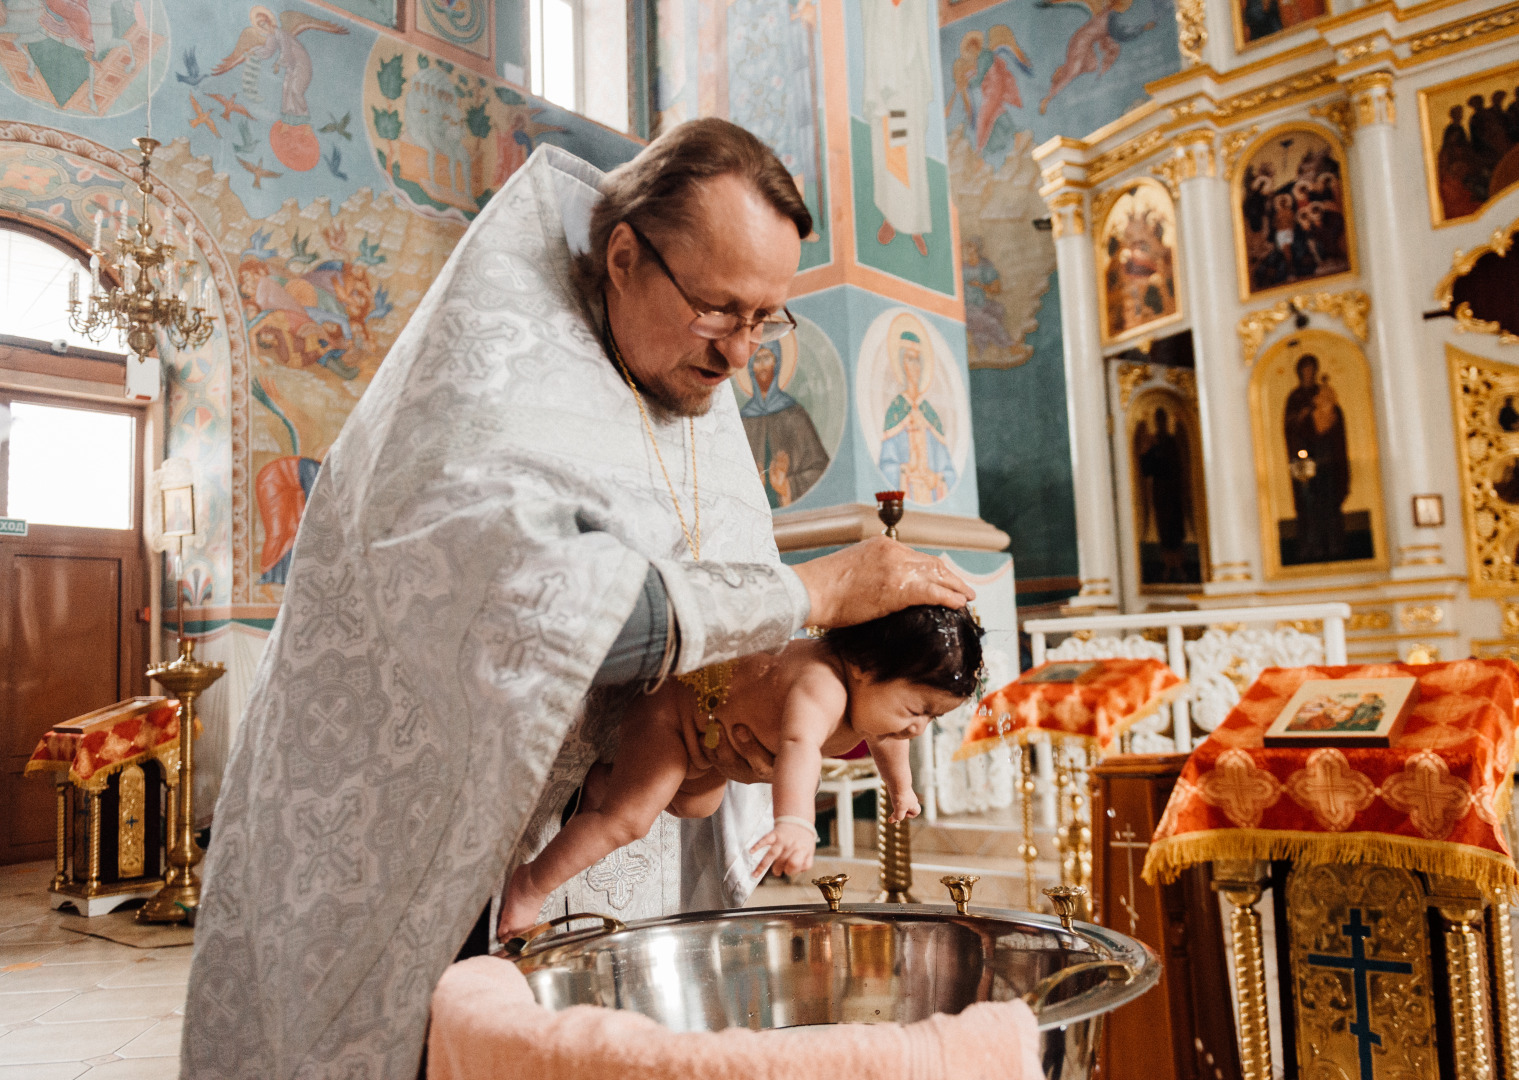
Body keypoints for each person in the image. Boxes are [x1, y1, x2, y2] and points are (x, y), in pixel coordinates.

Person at [182, 119, 974, 1080]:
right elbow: (538, 620)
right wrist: (810, 591)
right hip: (417, 853)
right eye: (720, 309)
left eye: (769, 319)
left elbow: (724, 638)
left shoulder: (688, 389)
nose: (740, 357)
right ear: (625, 255)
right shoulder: (495, 372)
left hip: (604, 867)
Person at [500, 604, 983, 935]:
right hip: (675, 716)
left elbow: (887, 739)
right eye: (917, 709)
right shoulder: (824, 686)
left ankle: (609, 780)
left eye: (932, 717)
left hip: (709, 753)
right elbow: (797, 746)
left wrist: (902, 786)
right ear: (866, 666)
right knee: (629, 820)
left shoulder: (874, 704)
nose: (918, 728)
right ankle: (530, 884)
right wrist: (794, 821)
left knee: (696, 805)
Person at [1283, 353, 1350, 564]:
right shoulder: (1295, 398)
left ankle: (1334, 544)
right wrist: (1304, 415)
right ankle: (1310, 547)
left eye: (1312, 369)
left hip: (1326, 457)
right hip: (1304, 459)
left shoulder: (1324, 393)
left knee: (1329, 503)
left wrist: (1326, 413)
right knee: (1308, 504)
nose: (1309, 373)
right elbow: (1290, 424)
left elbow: (1335, 423)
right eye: (1305, 369)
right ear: (1300, 372)